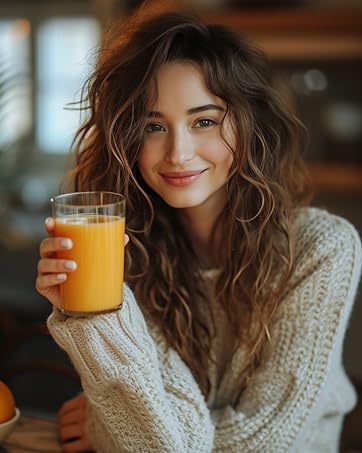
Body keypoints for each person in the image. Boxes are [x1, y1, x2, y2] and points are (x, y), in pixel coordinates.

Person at [35, 8, 362, 453]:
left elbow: (266, 445)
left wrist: (105, 426)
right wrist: (99, 314)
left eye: (204, 121)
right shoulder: (121, 250)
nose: (178, 152)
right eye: (153, 126)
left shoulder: (321, 248)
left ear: (249, 125)